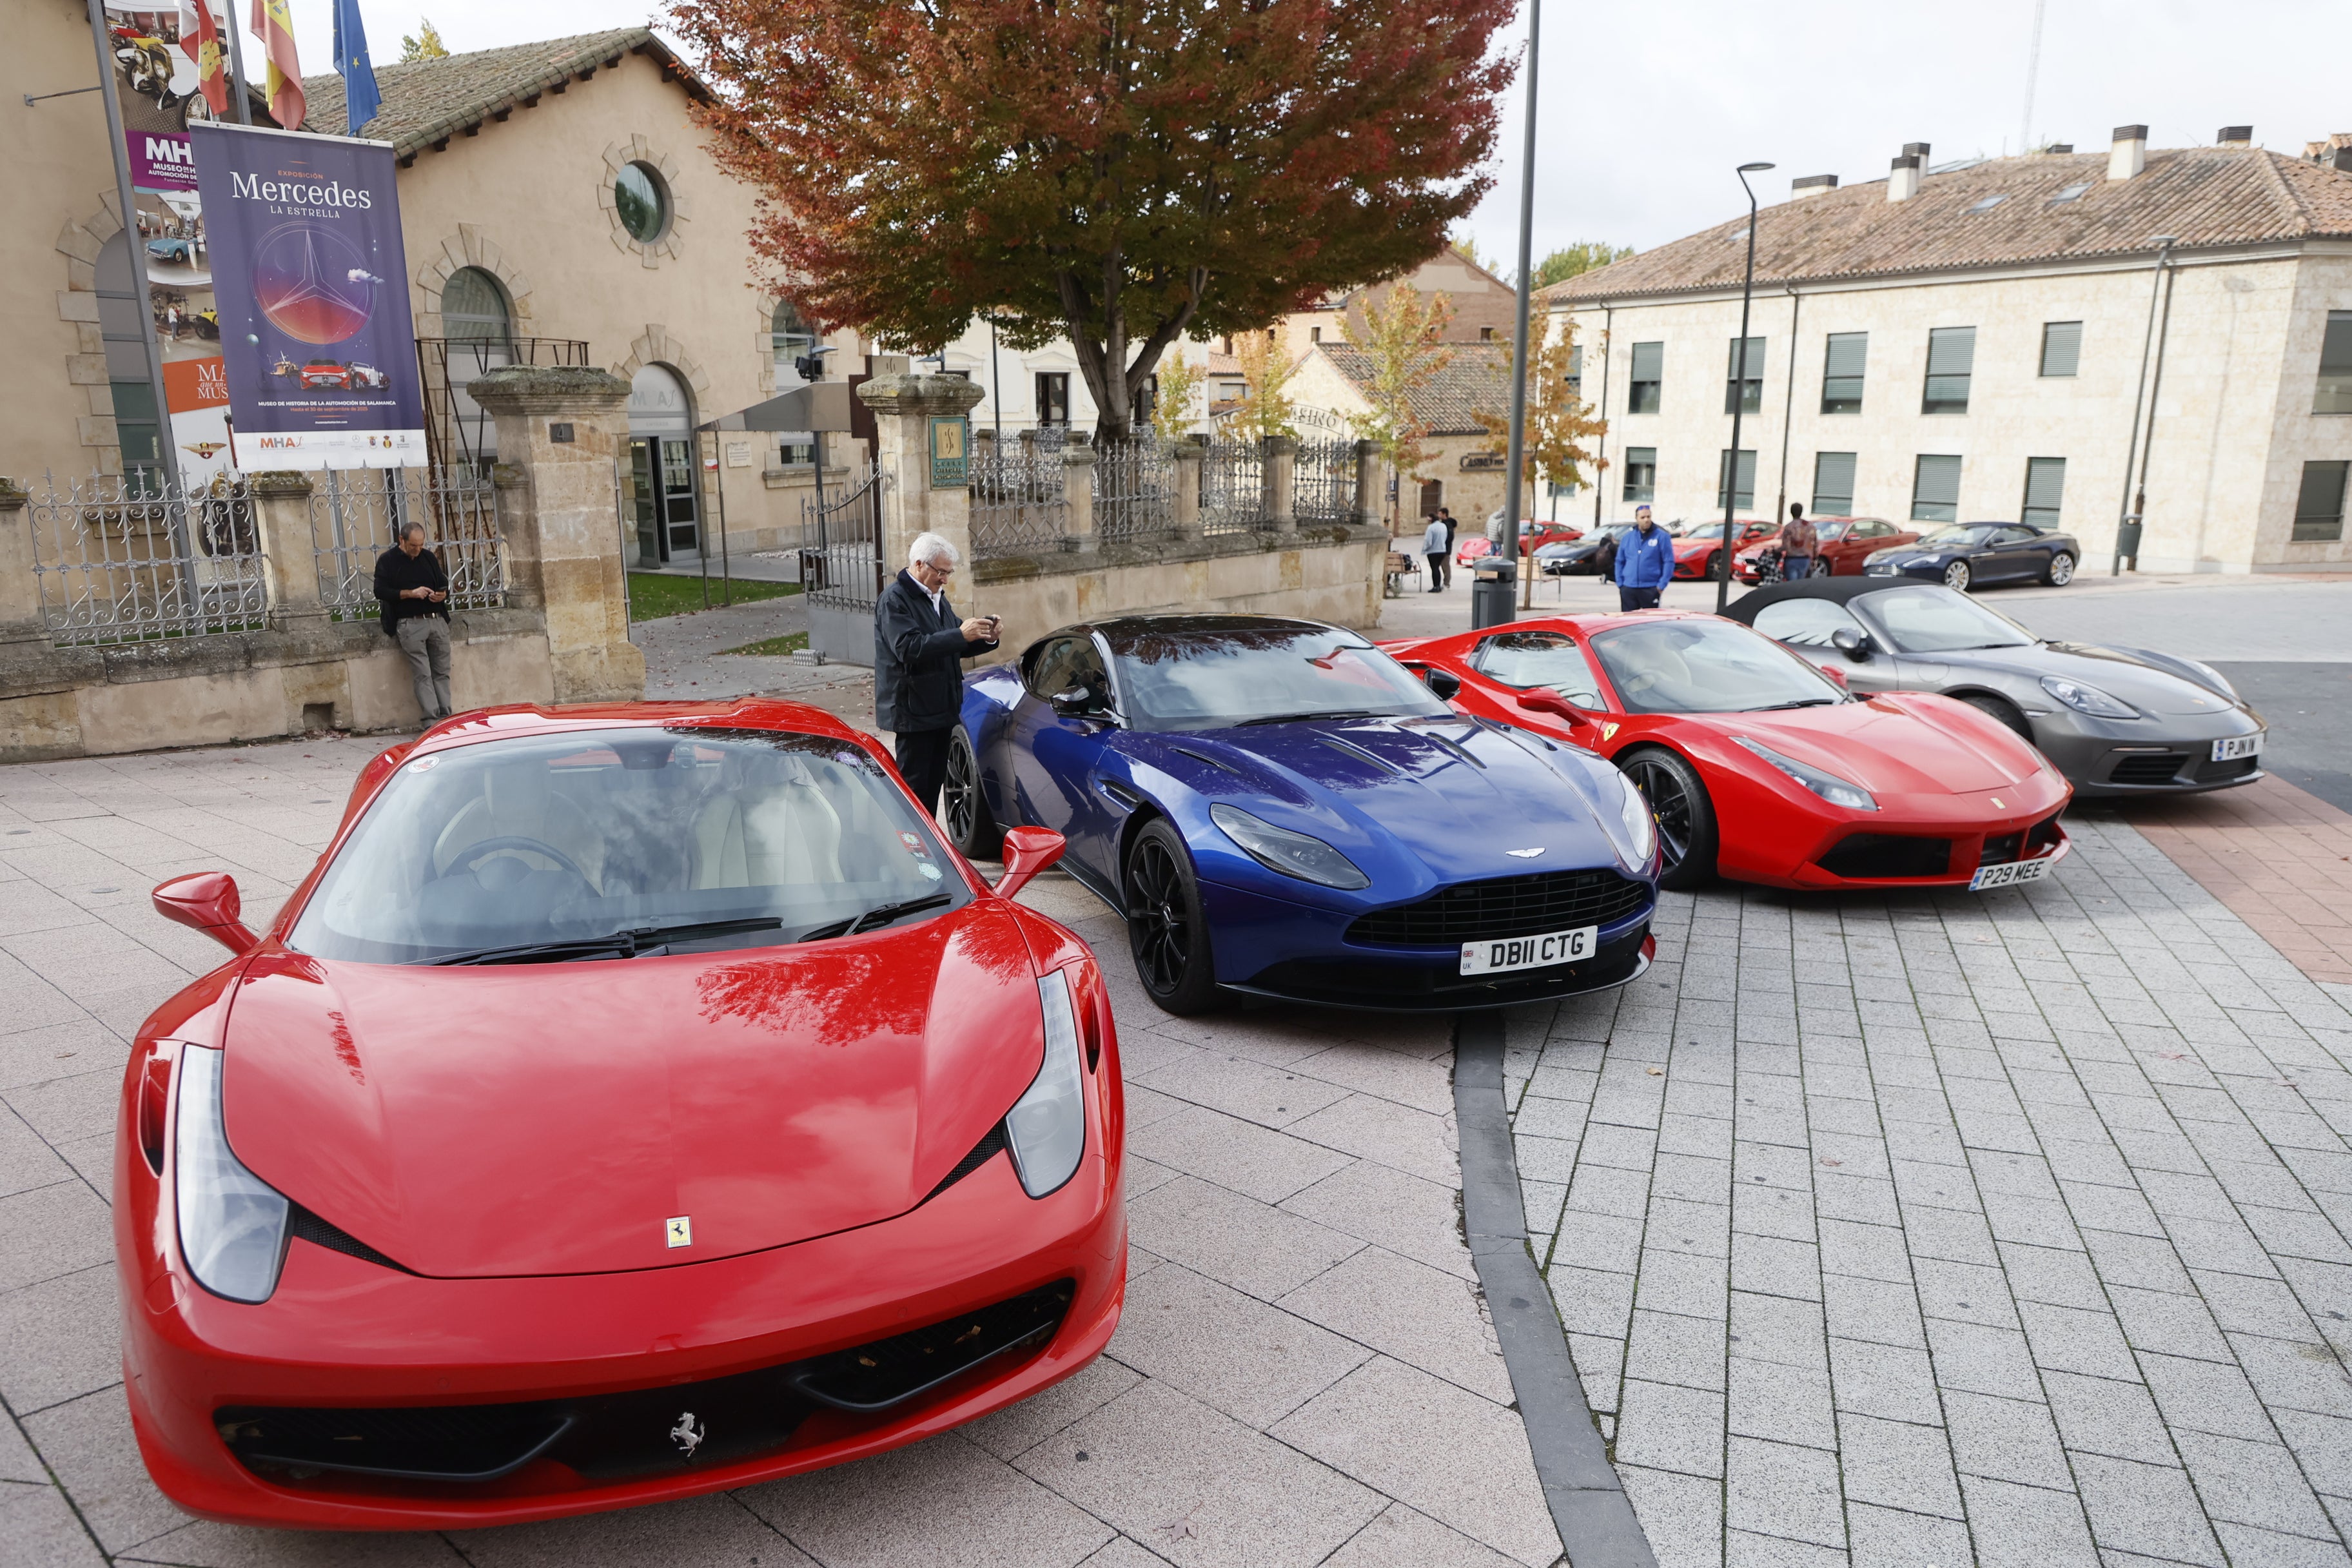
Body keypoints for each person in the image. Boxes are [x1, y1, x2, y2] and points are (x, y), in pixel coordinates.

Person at [876, 533, 1001, 816]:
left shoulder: (936, 597)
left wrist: (987, 637)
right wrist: (960, 634)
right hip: (915, 714)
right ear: (919, 564)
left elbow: (954, 643)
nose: (945, 579)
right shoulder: (894, 599)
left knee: (932, 790)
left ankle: (930, 842)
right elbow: (908, 648)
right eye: (941, 572)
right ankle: (912, 843)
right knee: (914, 796)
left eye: (949, 573)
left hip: (941, 709)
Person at [374, 522, 453, 721]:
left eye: (421, 545)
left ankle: (446, 719)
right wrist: (411, 593)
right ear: (401, 540)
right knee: (423, 673)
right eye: (413, 546)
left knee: (442, 672)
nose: (418, 550)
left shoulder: (428, 557)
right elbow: (380, 591)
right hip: (411, 623)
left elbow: (443, 582)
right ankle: (432, 720)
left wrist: (442, 594)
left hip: (436, 620)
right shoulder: (388, 561)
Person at [1613, 504, 1674, 612]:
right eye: (1643, 517)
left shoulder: (1662, 537)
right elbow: (1619, 561)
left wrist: (1661, 585)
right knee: (1629, 620)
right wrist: (1620, 583)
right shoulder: (1627, 537)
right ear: (1637, 518)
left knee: (1650, 620)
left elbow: (1669, 561)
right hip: (1629, 588)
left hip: (1650, 588)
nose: (1646, 520)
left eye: (1648, 517)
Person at [1779, 502, 1819, 581]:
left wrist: (1775, 550)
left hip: (1792, 558)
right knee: (1801, 583)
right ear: (1801, 512)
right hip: (1806, 559)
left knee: (1792, 584)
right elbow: (1815, 544)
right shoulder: (1810, 526)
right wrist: (1815, 558)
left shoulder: (1789, 527)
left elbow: (1786, 545)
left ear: (1791, 512)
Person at [1421, 513, 1449, 592]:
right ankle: (1438, 586)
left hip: (1433, 551)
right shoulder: (1443, 526)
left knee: (1434, 569)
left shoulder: (1431, 528)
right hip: (1442, 550)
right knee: (1437, 568)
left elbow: (1428, 541)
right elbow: (1446, 537)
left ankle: (1436, 586)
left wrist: (1425, 549)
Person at [1437, 507, 1458, 589]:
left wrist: (1443, 543)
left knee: (1445, 566)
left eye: (1440, 514)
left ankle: (1447, 583)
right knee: (1442, 566)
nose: (1439, 515)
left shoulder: (1448, 524)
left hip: (1446, 549)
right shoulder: (1442, 523)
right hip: (1441, 548)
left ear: (1444, 514)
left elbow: (1450, 537)